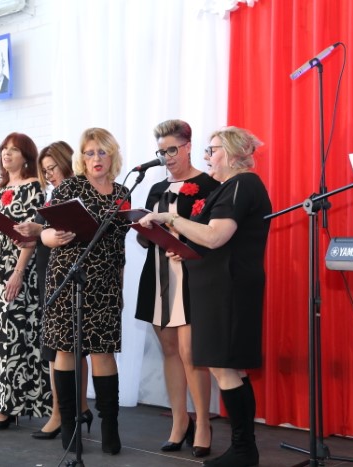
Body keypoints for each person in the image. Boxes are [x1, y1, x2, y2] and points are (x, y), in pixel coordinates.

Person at [138, 126, 271, 467]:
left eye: (213, 150)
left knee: (225, 369)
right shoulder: (234, 186)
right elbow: (210, 239)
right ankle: (244, 449)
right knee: (232, 370)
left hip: (227, 288)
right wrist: (185, 248)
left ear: (234, 153)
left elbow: (215, 237)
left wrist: (172, 218)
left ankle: (243, 451)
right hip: (221, 286)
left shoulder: (241, 184)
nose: (208, 157)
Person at [41, 128, 130, 454]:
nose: (96, 158)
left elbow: (119, 246)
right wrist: (53, 237)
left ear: (112, 155)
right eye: (90, 153)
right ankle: (70, 423)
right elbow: (44, 233)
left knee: (103, 352)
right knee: (66, 351)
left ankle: (110, 426)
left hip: (105, 283)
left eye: (102, 152)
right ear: (82, 157)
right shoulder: (69, 187)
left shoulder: (123, 193)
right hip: (69, 278)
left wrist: (119, 286)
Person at [134, 120, 219, 456]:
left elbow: (213, 233)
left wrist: (186, 244)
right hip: (158, 275)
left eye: (172, 149)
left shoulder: (209, 185)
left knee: (190, 352)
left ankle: (204, 423)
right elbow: (145, 237)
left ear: (188, 146)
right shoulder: (156, 188)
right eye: (161, 151)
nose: (167, 157)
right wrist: (143, 230)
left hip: (192, 275)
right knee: (169, 349)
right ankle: (179, 421)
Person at [13, 142, 93, 440]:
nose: (49, 175)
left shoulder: (77, 195)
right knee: (60, 347)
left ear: (67, 163)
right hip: (49, 272)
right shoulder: (53, 196)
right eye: (44, 171)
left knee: (68, 347)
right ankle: (76, 409)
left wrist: (39, 231)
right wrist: (31, 233)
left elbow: (72, 235)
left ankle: (63, 413)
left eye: (52, 168)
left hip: (70, 274)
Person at [0, 132, 50, 430]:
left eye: (14, 150)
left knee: (16, 336)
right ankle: (4, 403)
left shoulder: (34, 187)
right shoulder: (3, 189)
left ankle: (14, 406)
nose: (6, 154)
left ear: (26, 157)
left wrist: (19, 271)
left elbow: (31, 235)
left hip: (19, 269)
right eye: (4, 149)